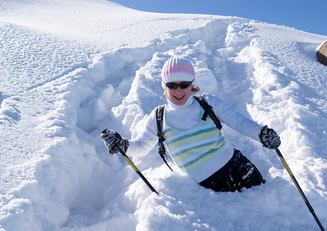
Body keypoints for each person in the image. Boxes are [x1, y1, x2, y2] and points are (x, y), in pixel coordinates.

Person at [101, 57, 281, 192]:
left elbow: (240, 123)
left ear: (192, 85)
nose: (178, 91)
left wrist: (262, 134)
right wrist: (123, 145)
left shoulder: (209, 103)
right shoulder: (158, 117)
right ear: (165, 87)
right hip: (208, 188)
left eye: (184, 84)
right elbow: (140, 147)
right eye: (172, 85)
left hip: (239, 168)